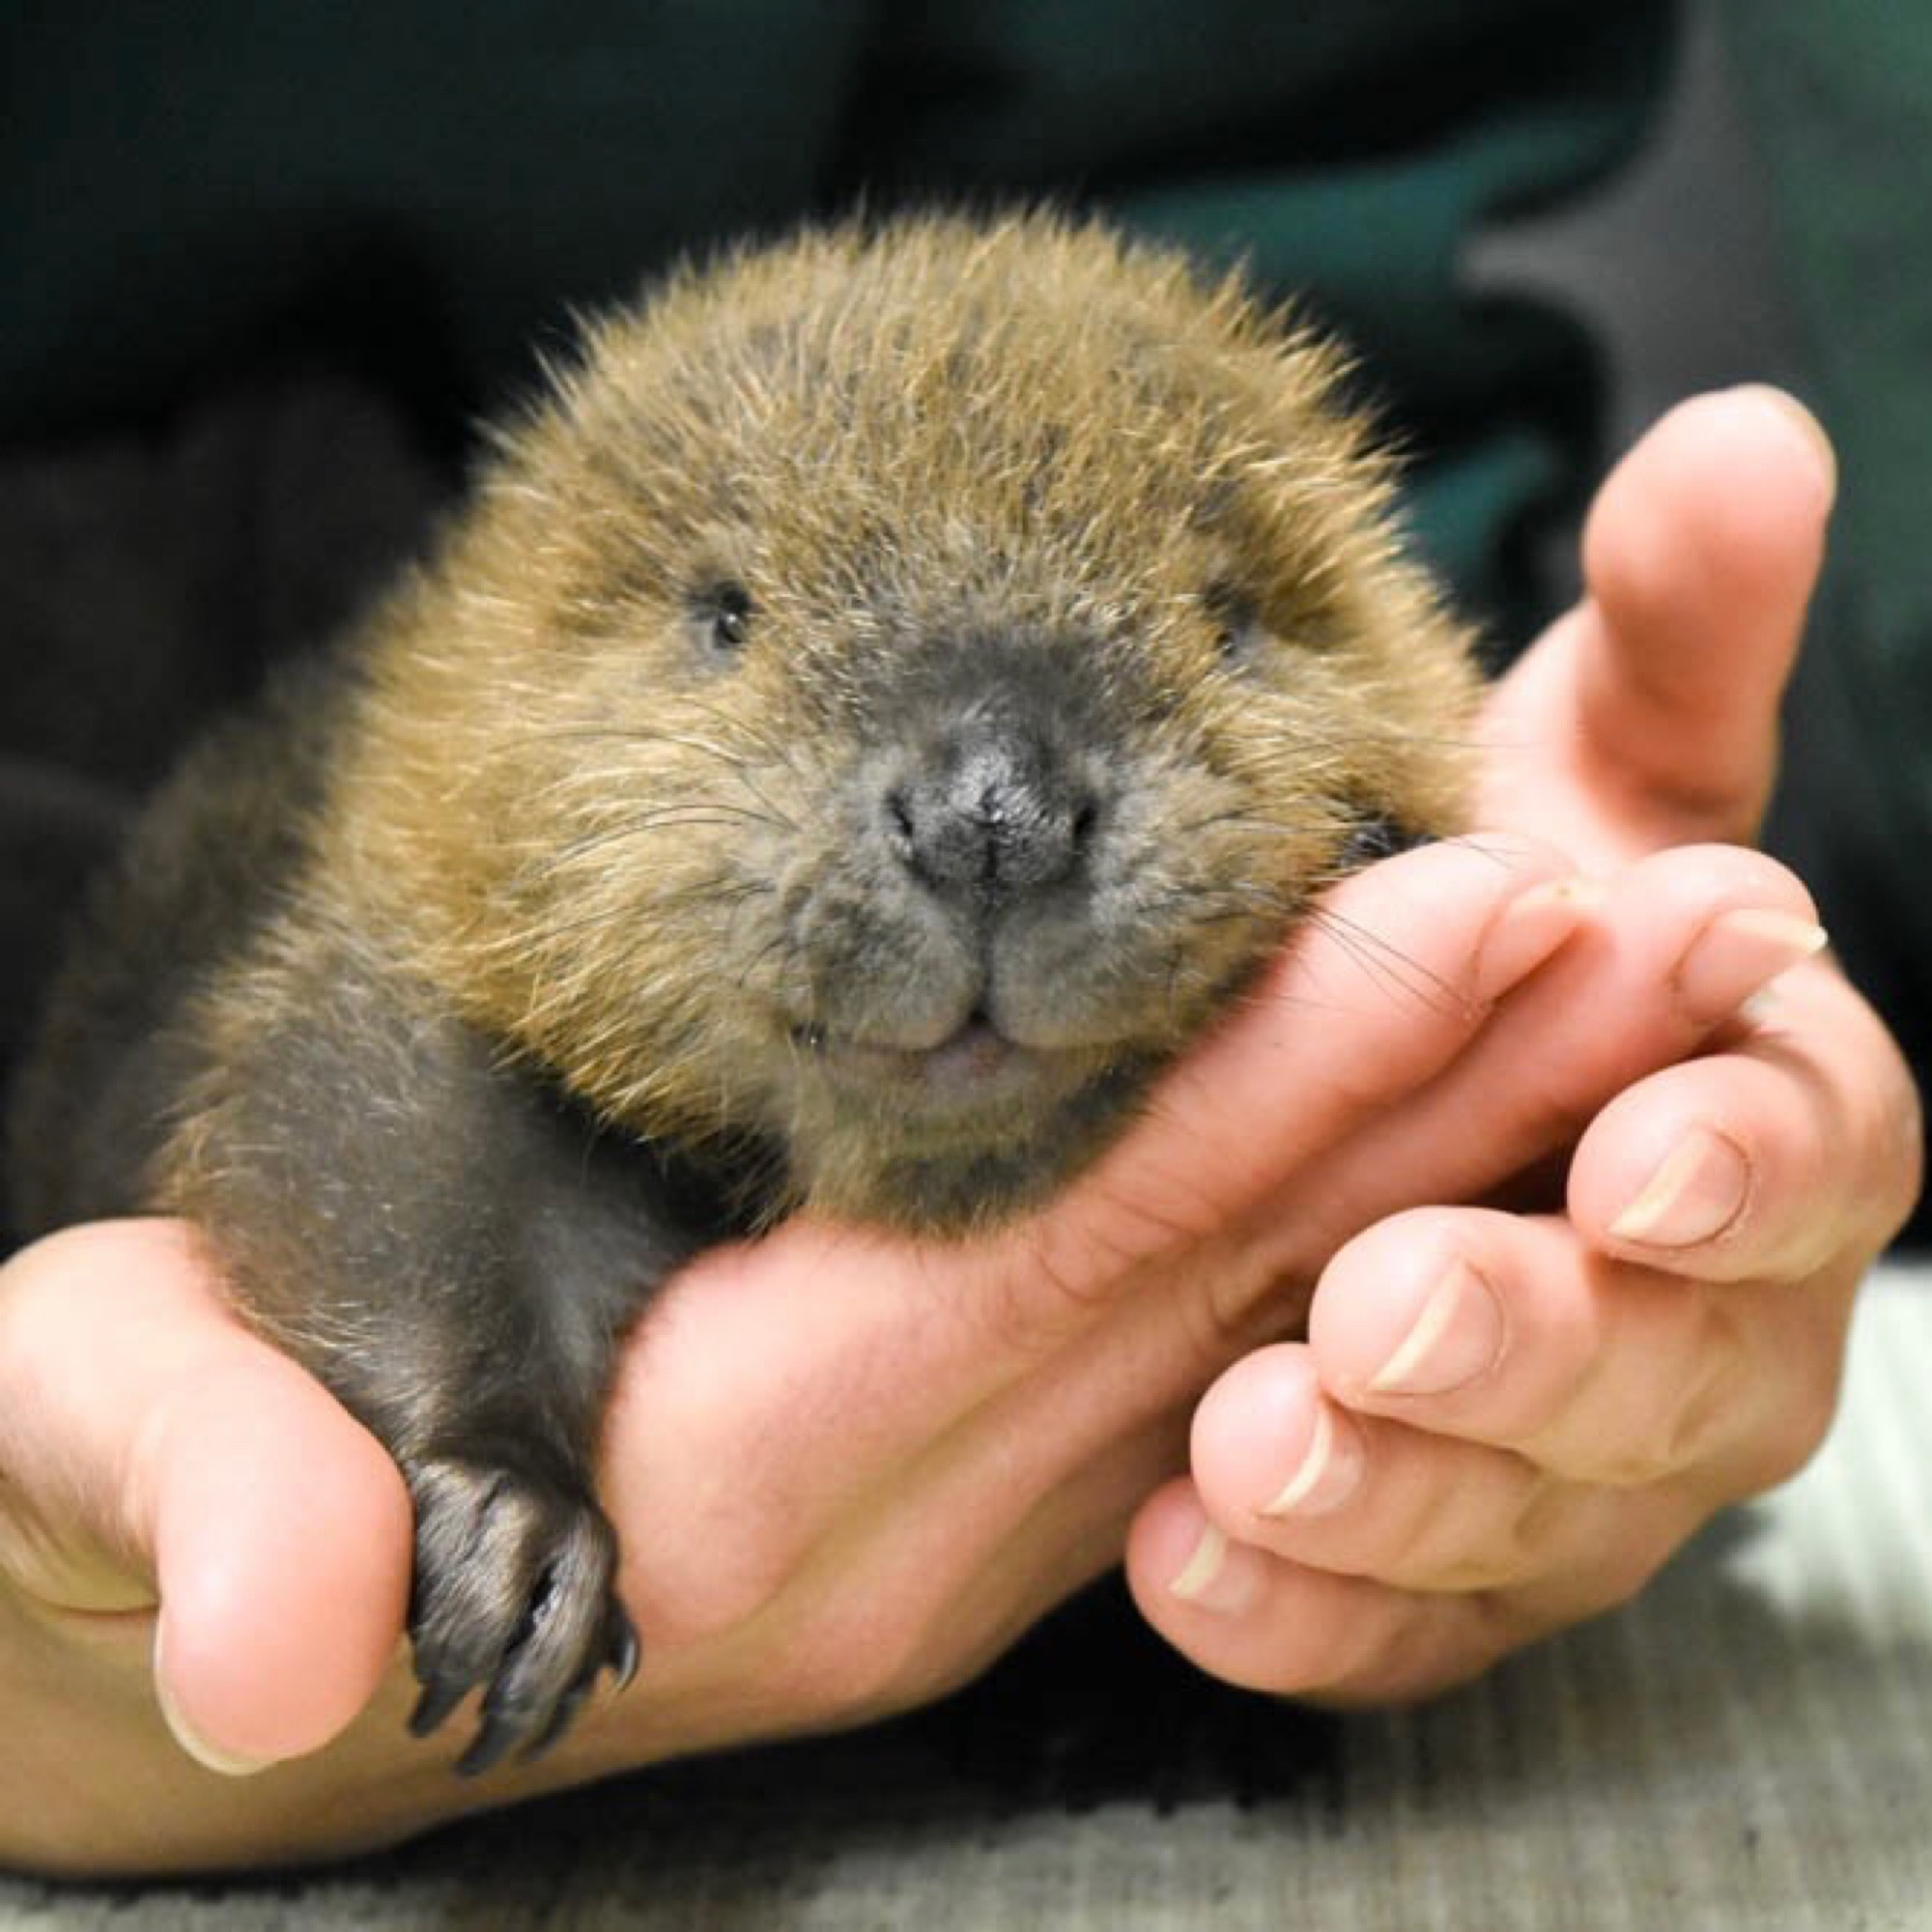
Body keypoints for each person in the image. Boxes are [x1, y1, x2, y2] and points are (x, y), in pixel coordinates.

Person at [0, 383, 1916, 1875]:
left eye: (1222, 624)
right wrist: (470, 1433)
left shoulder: (1384, 823)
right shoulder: (441, 928)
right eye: (733, 628)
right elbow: (374, 1050)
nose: (993, 819)